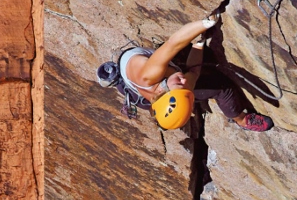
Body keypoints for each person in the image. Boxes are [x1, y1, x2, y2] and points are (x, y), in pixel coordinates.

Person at [100, 14, 274, 131]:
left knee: (180, 69)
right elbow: (193, 72)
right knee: (220, 87)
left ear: (164, 92)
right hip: (147, 99)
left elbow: (174, 43)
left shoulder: (149, 73)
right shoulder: (179, 88)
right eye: (185, 89)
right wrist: (198, 46)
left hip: (137, 72)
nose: (184, 81)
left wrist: (206, 23)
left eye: (181, 86)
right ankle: (241, 120)